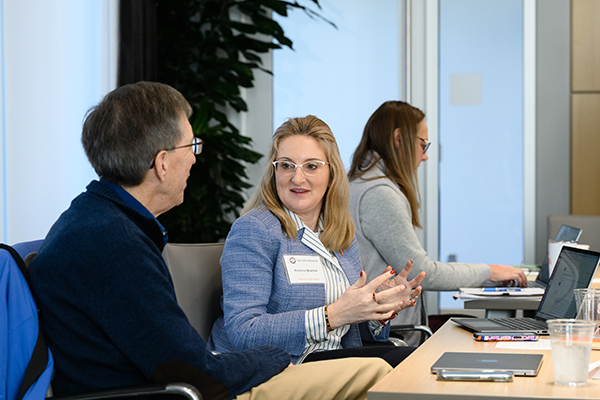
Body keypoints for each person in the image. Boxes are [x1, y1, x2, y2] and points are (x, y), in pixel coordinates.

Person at [27, 82, 394, 400]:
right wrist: (276, 358)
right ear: (162, 163)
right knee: (378, 373)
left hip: (168, 386)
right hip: (179, 392)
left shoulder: (95, 222)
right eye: (192, 148)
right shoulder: (118, 246)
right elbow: (196, 373)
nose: (194, 162)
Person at [208, 115, 426, 367]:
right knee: (406, 365)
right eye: (287, 165)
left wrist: (377, 309)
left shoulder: (340, 234)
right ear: (274, 171)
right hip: (280, 366)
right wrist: (329, 316)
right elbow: (244, 331)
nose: (297, 178)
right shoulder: (255, 229)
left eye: (311, 166)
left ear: (331, 173)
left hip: (326, 359)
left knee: (416, 361)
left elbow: (351, 332)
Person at [347, 100, 527, 346]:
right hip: (390, 335)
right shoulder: (379, 193)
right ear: (399, 140)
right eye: (423, 144)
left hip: (384, 328)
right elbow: (424, 273)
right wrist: (489, 271)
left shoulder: (362, 181)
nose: (425, 155)